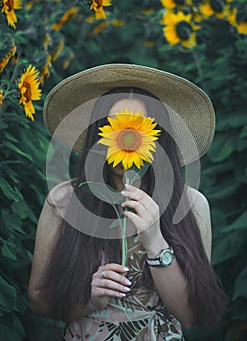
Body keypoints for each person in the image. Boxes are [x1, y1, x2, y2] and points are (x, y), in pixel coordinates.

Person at [28, 64, 229, 340]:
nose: (126, 139)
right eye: (116, 128)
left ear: (158, 138)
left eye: (137, 129)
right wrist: (88, 300)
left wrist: (155, 239)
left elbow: (193, 316)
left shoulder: (191, 204)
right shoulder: (64, 201)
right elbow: (38, 300)